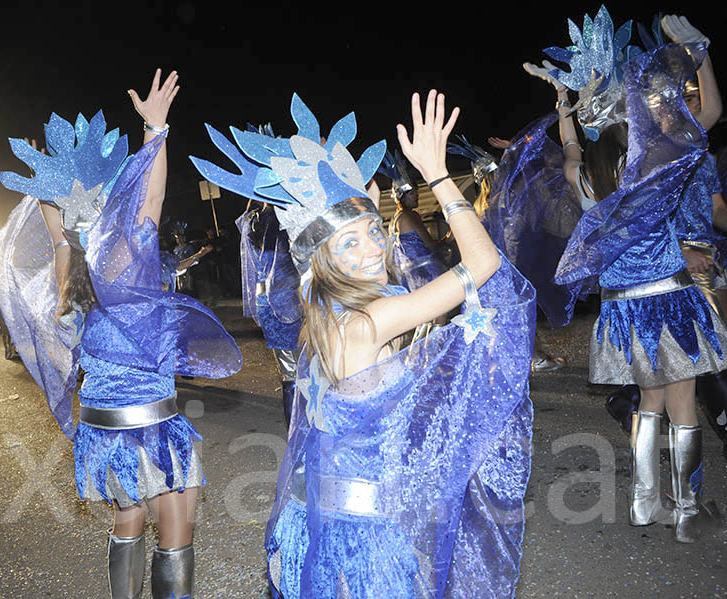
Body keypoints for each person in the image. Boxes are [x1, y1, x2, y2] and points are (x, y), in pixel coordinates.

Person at [192, 91, 534, 597]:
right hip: (361, 535)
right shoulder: (369, 322)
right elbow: (484, 266)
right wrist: (437, 175)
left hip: (325, 517)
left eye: (373, 231)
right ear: (321, 260)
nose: (374, 247)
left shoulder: (324, 313)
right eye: (350, 243)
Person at [0, 70, 242, 599]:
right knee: (175, 532)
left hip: (104, 424)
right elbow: (150, 201)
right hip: (149, 420)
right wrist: (156, 132)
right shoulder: (128, 260)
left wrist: (48, 192)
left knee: (128, 523)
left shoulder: (70, 274)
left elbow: (63, 236)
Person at [527, 8, 725, 542]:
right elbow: (709, 116)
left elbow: (570, 145)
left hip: (621, 307)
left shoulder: (583, 176)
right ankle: (687, 513)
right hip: (667, 299)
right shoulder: (652, 162)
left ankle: (644, 503)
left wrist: (562, 102)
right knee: (683, 404)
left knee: (651, 402)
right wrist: (700, 55)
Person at [449, 134, 569, 372]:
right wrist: (517, 149)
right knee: (518, 316)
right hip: (511, 269)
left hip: (488, 273)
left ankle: (512, 361)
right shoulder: (509, 197)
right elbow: (534, 176)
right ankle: (532, 358)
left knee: (500, 320)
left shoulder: (476, 205)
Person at [236, 202, 302, 429]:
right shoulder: (284, 217)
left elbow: (257, 271)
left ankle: (296, 430)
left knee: (290, 374)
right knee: (303, 372)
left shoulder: (252, 220)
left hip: (267, 302)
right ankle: (300, 431)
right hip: (293, 302)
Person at [378, 149, 448, 293]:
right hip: (425, 272)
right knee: (440, 310)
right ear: (402, 195)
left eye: (416, 191)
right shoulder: (410, 215)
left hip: (407, 277)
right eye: (412, 193)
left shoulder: (394, 220)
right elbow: (431, 247)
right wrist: (448, 239)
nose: (417, 195)